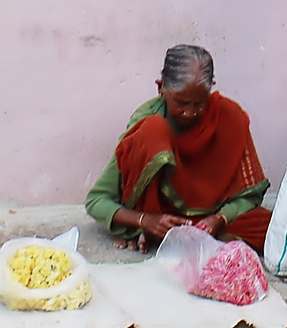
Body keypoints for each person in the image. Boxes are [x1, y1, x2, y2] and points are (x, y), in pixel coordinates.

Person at [85, 44, 272, 254]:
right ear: (161, 88)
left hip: (210, 222)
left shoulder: (230, 117)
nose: (189, 113)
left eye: (198, 104)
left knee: (273, 230)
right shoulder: (147, 120)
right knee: (152, 130)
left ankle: (165, 237)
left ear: (211, 87)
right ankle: (147, 232)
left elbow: (250, 196)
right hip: (161, 218)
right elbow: (97, 201)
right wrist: (144, 220)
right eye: (181, 103)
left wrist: (220, 218)